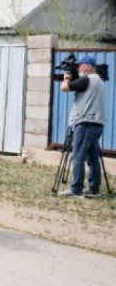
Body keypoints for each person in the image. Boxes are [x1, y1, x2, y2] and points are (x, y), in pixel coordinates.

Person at [58, 55, 106, 198]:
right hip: (97, 124)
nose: (78, 68)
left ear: (89, 66)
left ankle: (76, 189)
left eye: (81, 65)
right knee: (93, 158)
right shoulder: (100, 81)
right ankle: (94, 189)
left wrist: (66, 77)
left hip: (85, 123)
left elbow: (64, 88)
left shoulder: (87, 79)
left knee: (78, 157)